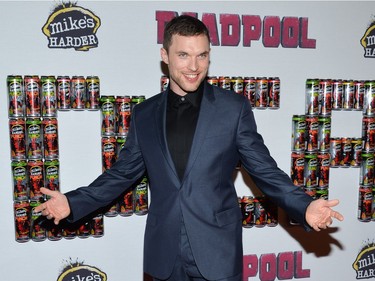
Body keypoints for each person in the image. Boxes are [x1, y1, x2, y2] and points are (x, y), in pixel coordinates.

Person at [36, 15, 344, 281]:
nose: (194, 66)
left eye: (202, 56)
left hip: (217, 249)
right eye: (183, 55)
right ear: (165, 55)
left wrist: (303, 205)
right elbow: (122, 173)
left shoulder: (232, 109)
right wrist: (73, 203)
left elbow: (263, 170)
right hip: (164, 250)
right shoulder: (145, 114)